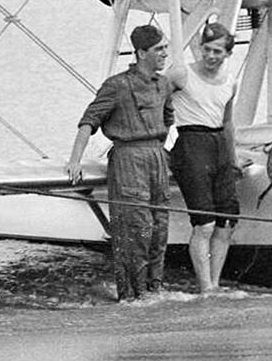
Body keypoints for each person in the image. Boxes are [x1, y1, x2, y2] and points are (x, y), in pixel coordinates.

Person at [67, 24, 174, 301]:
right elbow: (89, 121)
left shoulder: (163, 84)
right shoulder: (117, 85)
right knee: (134, 230)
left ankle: (154, 291)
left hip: (156, 157)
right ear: (141, 53)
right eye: (158, 49)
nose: (165, 54)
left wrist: (160, 155)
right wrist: (75, 160)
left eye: (165, 48)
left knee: (159, 229)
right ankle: (131, 296)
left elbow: (168, 119)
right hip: (128, 160)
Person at [167, 21, 240, 293]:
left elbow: (229, 123)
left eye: (217, 52)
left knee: (226, 222)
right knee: (204, 223)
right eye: (207, 50)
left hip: (219, 144)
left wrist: (232, 159)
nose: (210, 56)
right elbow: (152, 100)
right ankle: (204, 286)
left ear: (227, 54)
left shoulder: (231, 81)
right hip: (190, 142)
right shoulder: (180, 75)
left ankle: (215, 283)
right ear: (200, 49)